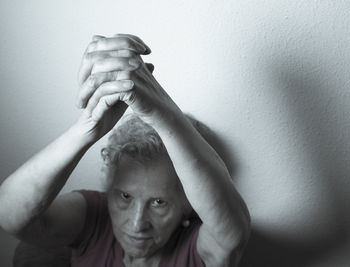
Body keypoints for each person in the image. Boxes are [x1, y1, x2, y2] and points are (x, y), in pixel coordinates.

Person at [0, 34, 251, 267]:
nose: (136, 223)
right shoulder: (94, 217)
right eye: (125, 197)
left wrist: (162, 113)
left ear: (188, 206)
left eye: (159, 202)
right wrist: (86, 129)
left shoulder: (195, 248)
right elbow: (9, 214)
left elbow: (231, 235)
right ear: (108, 191)